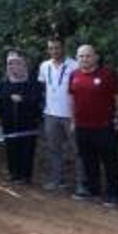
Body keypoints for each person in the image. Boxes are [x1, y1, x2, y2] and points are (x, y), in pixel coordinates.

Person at [68, 45, 118, 206]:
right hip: (82, 127)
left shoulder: (107, 74)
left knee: (110, 162)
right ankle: (94, 191)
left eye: (87, 56)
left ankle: (113, 195)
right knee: (88, 161)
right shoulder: (74, 75)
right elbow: (72, 100)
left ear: (96, 57)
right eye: (80, 56)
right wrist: (73, 121)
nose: (84, 59)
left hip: (104, 127)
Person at [38, 38, 80, 193]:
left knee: (77, 150)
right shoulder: (44, 66)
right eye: (51, 48)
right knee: (54, 149)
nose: (54, 51)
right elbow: (44, 88)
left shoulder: (75, 65)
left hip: (70, 115)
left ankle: (81, 184)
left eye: (57, 48)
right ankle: (57, 180)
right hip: (50, 114)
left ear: (63, 48)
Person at [0, 51, 43, 185]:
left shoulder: (33, 82)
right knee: (11, 148)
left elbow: (38, 100)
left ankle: (26, 176)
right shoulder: (3, 83)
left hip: (28, 123)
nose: (13, 66)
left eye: (16, 63)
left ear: (24, 65)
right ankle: (14, 174)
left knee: (27, 149)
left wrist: (23, 99)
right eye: (10, 63)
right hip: (9, 123)